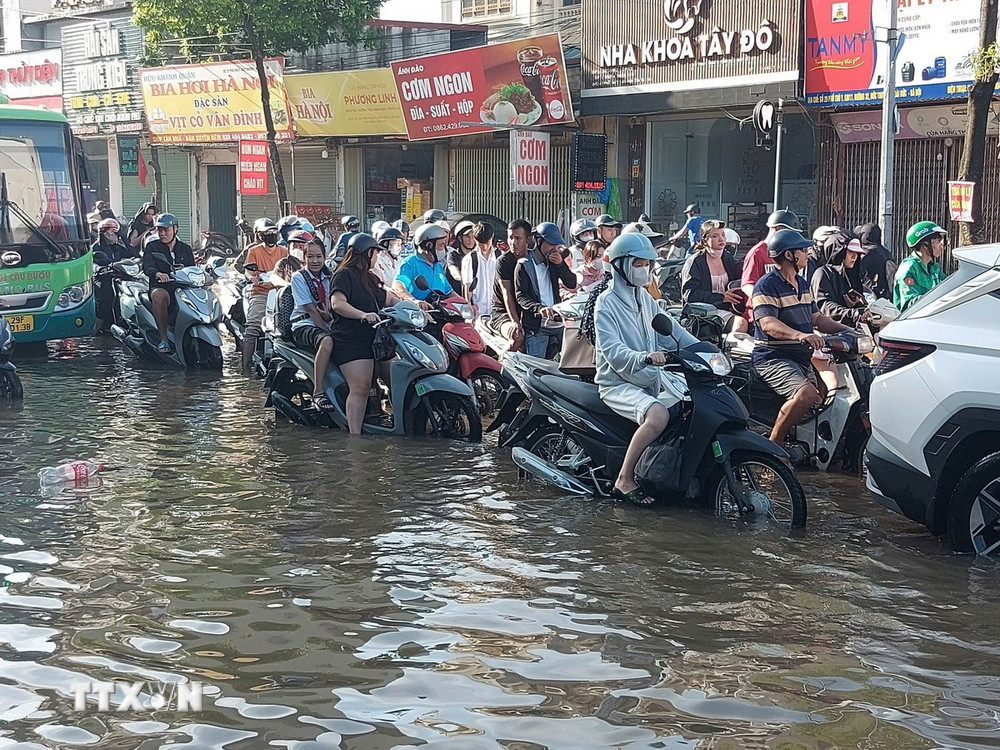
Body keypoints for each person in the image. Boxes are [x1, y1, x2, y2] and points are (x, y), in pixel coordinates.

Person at [595, 232, 691, 506]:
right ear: (621, 265)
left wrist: (706, 350)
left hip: (649, 379)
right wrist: (644, 358)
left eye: (647, 264)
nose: (644, 269)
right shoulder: (606, 303)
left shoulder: (645, 299)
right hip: (616, 383)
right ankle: (625, 479)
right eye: (638, 263)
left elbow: (674, 331)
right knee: (658, 415)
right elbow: (612, 351)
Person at [751, 229, 854, 447]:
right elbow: (767, 323)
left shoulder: (802, 283)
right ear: (789, 255)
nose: (807, 254)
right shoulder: (766, 285)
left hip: (800, 356)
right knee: (807, 395)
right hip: (772, 357)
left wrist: (848, 331)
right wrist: (801, 335)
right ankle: (774, 446)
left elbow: (816, 317)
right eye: (803, 250)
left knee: (819, 400)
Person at [330, 233, 402, 434]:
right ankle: (355, 438)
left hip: (377, 340)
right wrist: (363, 315)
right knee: (360, 388)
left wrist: (416, 308)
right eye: (376, 253)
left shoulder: (370, 278)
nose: (377, 257)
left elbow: (389, 299)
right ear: (368, 253)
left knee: (397, 380)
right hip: (352, 341)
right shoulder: (343, 274)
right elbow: (337, 303)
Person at [514, 222, 578, 358]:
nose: (554, 248)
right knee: (536, 369)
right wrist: (539, 308)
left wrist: (561, 265)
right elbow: (521, 297)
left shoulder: (555, 262)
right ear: (539, 241)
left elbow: (572, 283)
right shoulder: (524, 265)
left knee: (571, 361)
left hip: (558, 323)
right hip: (537, 327)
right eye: (550, 244)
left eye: (556, 245)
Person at [290, 240, 335, 411]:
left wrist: (329, 319)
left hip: (326, 322)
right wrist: (327, 331)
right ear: (304, 258)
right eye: (310, 256)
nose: (315, 261)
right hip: (303, 324)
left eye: (318, 256)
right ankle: (319, 392)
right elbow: (311, 310)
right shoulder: (299, 278)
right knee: (328, 342)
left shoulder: (330, 277)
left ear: (324, 257)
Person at [680, 220, 748, 333]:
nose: (721, 239)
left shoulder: (727, 257)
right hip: (702, 314)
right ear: (705, 239)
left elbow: (744, 274)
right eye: (715, 236)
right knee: (741, 323)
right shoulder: (695, 261)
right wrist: (721, 297)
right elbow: (690, 295)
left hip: (727, 309)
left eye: (723, 235)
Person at [141, 213, 196, 353]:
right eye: (160, 230)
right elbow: (147, 266)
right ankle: (164, 338)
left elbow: (193, 268)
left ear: (175, 229)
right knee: (159, 296)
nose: (162, 233)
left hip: (182, 287)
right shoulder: (152, 247)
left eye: (166, 230)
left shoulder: (185, 248)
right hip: (161, 286)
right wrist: (158, 274)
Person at [740, 208, 801, 325]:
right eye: (789, 232)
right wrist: (767, 301)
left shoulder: (787, 253)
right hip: (762, 315)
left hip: (786, 312)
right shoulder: (757, 252)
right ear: (777, 229)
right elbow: (747, 285)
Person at [242, 220, 288, 373]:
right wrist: (251, 277)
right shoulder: (254, 251)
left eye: (274, 232)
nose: (271, 236)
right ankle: (245, 367)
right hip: (261, 292)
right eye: (267, 233)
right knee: (251, 329)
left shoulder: (284, 251)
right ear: (261, 236)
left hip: (280, 292)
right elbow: (248, 270)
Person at [488, 219, 532, 353]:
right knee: (518, 336)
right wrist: (515, 322)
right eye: (511, 238)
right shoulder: (503, 262)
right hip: (502, 314)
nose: (513, 242)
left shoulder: (533, 259)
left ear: (528, 240)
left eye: (518, 238)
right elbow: (507, 294)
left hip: (527, 313)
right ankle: (501, 366)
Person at [811, 230, 871, 327]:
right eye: (850, 251)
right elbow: (824, 306)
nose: (854, 256)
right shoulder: (823, 273)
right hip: (829, 331)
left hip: (853, 328)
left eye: (857, 252)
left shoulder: (853, 276)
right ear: (839, 252)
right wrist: (853, 314)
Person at [92, 218, 138, 334]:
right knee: (104, 300)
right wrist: (99, 268)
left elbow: (133, 255)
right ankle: (95, 330)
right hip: (102, 278)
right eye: (112, 232)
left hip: (118, 277)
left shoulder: (118, 247)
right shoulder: (95, 247)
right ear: (104, 233)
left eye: (116, 232)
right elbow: (91, 262)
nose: (115, 235)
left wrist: (124, 238)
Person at [392, 222, 452, 309]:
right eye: (441, 245)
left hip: (442, 312)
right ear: (429, 245)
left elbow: (449, 292)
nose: (444, 249)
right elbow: (398, 286)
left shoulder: (438, 266)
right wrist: (414, 301)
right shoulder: (410, 264)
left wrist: (464, 304)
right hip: (421, 315)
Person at [894, 221, 949, 313]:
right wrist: (937, 299)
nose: (942, 246)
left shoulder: (933, 268)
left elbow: (948, 286)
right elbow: (909, 302)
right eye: (938, 241)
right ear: (925, 245)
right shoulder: (909, 269)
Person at [461, 222, 500, 318]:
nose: (484, 247)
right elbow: (468, 285)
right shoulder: (470, 259)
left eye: (487, 243)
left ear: (492, 237)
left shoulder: (500, 257)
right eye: (481, 244)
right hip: (477, 313)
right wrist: (469, 306)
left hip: (497, 313)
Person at [855, 222, 896, 301]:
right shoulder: (886, 252)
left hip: (870, 295)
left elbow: (857, 274)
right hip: (886, 293)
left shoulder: (865, 253)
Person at [447, 220, 477, 294]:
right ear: (460, 238)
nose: (470, 240)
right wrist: (465, 281)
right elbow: (454, 272)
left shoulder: (477, 256)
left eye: (473, 236)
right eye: (467, 236)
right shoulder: (453, 255)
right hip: (457, 297)